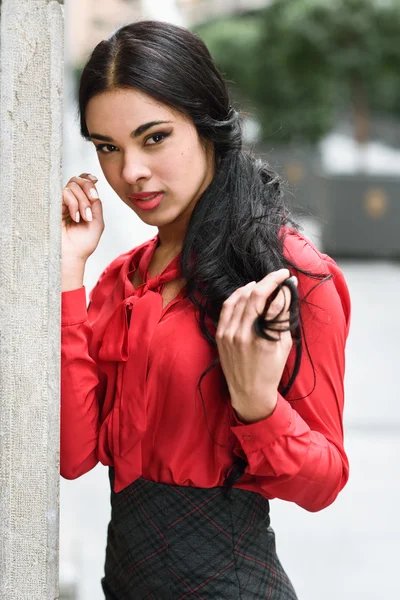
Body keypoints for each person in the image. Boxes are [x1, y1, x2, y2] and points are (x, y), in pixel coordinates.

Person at [61, 20, 351, 600]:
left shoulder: (288, 273)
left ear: (208, 125)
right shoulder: (122, 280)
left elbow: (323, 482)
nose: (131, 172)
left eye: (154, 137)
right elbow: (74, 454)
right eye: (107, 147)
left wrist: (256, 405)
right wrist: (70, 270)